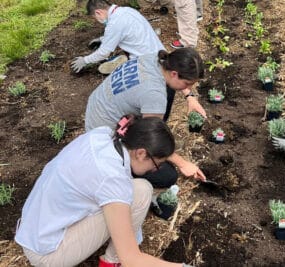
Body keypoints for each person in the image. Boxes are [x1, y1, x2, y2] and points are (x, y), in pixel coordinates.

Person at [15, 115, 192, 267]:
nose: (155, 171)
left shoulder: (103, 135)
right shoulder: (112, 179)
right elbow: (131, 260)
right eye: (157, 164)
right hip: (48, 253)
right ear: (140, 153)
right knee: (141, 192)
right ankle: (110, 262)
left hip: (34, 229)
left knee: (141, 189)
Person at [85, 48, 207, 187]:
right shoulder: (154, 95)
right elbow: (148, 140)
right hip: (105, 135)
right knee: (167, 176)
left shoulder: (155, 58)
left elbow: (176, 80)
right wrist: (183, 163)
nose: (189, 87)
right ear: (174, 73)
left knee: (169, 90)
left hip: (99, 107)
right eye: (188, 84)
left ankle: (156, 120)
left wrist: (190, 97)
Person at [71, 0, 166, 74]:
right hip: (160, 54)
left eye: (95, 18)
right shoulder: (126, 10)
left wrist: (84, 60)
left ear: (98, 12)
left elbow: (104, 53)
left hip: (148, 63)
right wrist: (102, 39)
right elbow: (124, 32)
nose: (97, 20)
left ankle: (125, 64)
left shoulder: (114, 24)